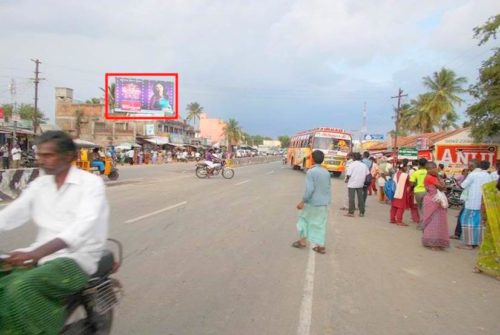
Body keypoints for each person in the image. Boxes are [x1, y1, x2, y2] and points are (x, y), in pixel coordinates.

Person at [0, 130, 109, 334]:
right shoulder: (39, 185)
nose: (41, 160)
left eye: (48, 155)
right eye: (39, 155)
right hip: (38, 255)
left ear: (68, 156)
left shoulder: (90, 184)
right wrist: (35, 253)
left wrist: (36, 253)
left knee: (21, 288)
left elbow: (83, 227)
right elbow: (11, 214)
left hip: (77, 258)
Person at [292, 150, 331, 254]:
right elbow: (328, 188)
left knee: (303, 220)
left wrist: (302, 201)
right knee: (320, 224)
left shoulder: (311, 172)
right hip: (323, 203)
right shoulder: (326, 172)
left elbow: (309, 189)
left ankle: (302, 241)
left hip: (312, 202)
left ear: (312, 159)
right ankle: (321, 246)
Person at [457, 160, 492, 250]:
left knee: (466, 222)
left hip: (472, 203)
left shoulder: (473, 175)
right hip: (482, 203)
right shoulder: (489, 175)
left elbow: (462, 186)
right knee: (478, 224)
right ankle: (476, 243)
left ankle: (469, 244)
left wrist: (465, 175)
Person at [473, 178, 500, 279]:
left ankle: (479, 266)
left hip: (492, 221)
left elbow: (484, 204)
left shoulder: (489, 187)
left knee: (488, 244)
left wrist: (484, 217)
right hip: (493, 221)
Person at [421, 162, 449, 251]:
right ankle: (433, 243)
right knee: (434, 221)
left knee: (438, 221)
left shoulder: (430, 177)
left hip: (435, 200)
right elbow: (442, 187)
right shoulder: (431, 178)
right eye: (434, 168)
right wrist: (438, 176)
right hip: (433, 200)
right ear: (429, 169)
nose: (436, 170)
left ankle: (438, 242)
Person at [345, 152, 370, 218]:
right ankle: (362, 212)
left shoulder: (352, 165)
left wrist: (347, 180)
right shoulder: (364, 165)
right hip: (360, 183)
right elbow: (367, 174)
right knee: (360, 198)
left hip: (352, 183)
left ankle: (351, 212)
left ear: (353, 158)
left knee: (351, 198)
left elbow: (348, 174)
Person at [410, 158, 428, 230]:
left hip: (418, 191)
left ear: (419, 164)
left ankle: (422, 224)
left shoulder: (416, 173)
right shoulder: (428, 172)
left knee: (420, 208)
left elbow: (412, 184)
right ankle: (427, 223)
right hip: (427, 191)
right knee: (426, 208)